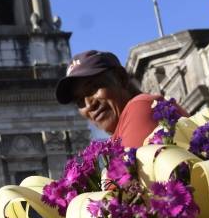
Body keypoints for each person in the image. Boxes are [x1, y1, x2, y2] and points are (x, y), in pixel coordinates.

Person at [55, 49, 184, 148]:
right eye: (79, 101)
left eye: (93, 88)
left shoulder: (141, 106)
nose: (89, 105)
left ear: (121, 78)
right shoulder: (118, 137)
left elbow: (128, 180)